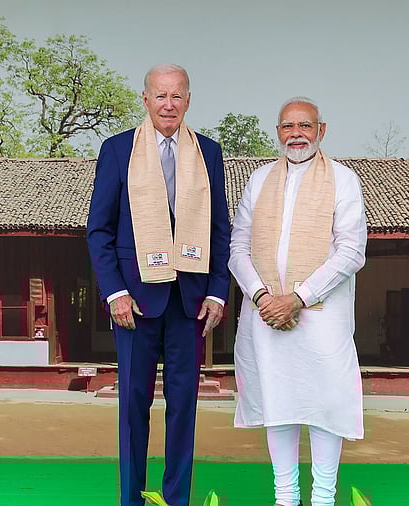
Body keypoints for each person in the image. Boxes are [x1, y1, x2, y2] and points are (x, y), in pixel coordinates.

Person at [86, 63, 231, 506]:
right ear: (145, 99)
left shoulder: (208, 152)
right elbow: (99, 230)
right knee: (133, 406)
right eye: (161, 95)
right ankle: (131, 499)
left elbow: (220, 229)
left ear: (188, 100)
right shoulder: (117, 150)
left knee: (183, 407)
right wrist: (114, 292)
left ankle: (176, 499)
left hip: (190, 300)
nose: (169, 104)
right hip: (134, 301)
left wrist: (217, 290)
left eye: (177, 95)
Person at [228, 97, 367, 506]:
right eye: (288, 126)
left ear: (321, 130)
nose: (296, 134)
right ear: (278, 132)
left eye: (305, 126)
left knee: (325, 405)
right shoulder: (259, 180)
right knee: (279, 403)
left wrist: (298, 298)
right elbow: (237, 247)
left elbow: (351, 251)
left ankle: (323, 498)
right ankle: (285, 497)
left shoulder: (343, 180)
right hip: (265, 314)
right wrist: (262, 296)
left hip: (322, 318)